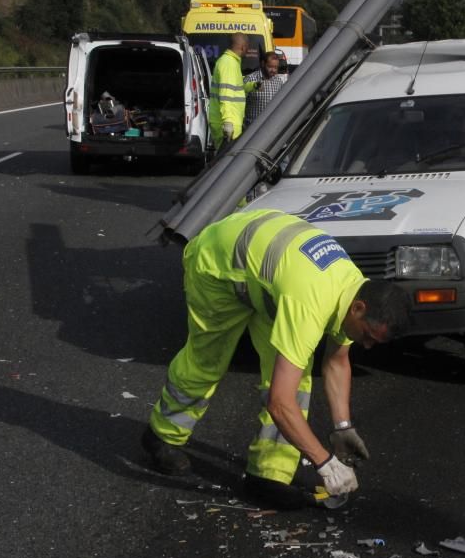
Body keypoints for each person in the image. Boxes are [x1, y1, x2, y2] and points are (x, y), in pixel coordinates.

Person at [141, 209, 411, 509]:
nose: (368, 345)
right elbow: (279, 402)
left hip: (265, 281)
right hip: (217, 265)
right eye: (369, 336)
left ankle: (268, 476)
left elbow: (337, 361)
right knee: (208, 361)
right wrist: (325, 463)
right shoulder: (312, 302)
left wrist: (343, 427)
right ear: (358, 309)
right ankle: (162, 436)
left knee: (297, 379)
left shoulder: (355, 290)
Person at [209, 33, 258, 151]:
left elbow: (238, 87)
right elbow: (226, 95)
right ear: (243, 46)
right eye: (247, 47)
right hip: (228, 123)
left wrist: (254, 85)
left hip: (229, 121)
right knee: (224, 164)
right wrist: (228, 122)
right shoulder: (229, 64)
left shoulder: (231, 62)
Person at [243, 51, 286, 128]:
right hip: (251, 128)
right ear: (263, 64)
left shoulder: (278, 81)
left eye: (276, 67)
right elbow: (241, 103)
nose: (273, 70)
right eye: (270, 67)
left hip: (271, 127)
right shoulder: (250, 79)